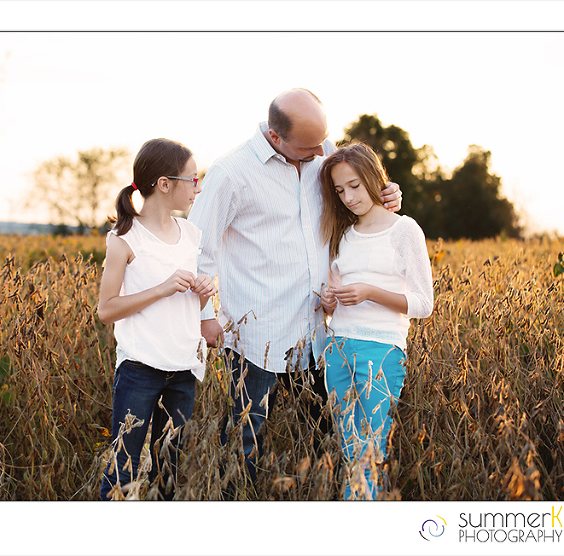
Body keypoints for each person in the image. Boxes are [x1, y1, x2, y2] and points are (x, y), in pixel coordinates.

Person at [187, 89, 402, 487]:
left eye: (323, 140)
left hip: (319, 332)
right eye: (308, 147)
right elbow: (198, 250)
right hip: (257, 337)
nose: (321, 151)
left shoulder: (323, 153)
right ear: (275, 136)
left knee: (328, 436)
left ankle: (321, 499)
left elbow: (355, 200)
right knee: (244, 440)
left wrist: (385, 196)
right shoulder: (231, 173)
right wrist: (204, 316)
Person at [97, 138, 217, 500]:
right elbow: (106, 310)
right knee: (124, 467)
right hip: (140, 368)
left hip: (184, 368)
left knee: (170, 469)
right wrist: (161, 289)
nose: (198, 188)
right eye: (192, 179)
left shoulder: (191, 234)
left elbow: (189, 309)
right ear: (164, 184)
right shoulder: (124, 238)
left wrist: (204, 292)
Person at [318, 142, 433, 500]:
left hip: (382, 350)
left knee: (370, 447)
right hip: (337, 348)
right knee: (350, 448)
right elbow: (333, 300)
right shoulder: (343, 235)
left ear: (373, 177)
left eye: (354, 185)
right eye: (340, 191)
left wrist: (370, 292)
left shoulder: (405, 230)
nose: (349, 197)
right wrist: (328, 302)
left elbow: (423, 304)